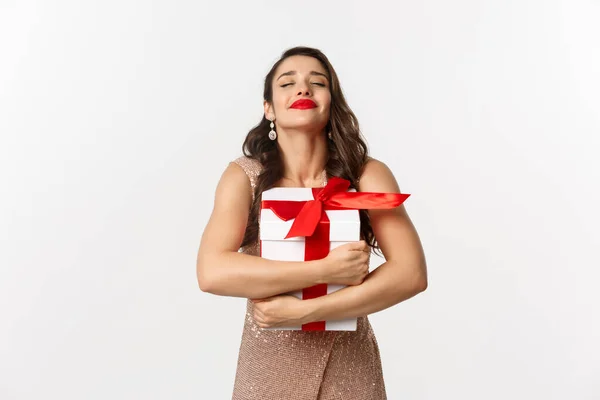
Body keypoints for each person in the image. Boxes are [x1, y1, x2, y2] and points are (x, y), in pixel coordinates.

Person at [196, 46, 428, 399]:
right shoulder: (244, 177)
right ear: (268, 108)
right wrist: (326, 270)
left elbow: (411, 274)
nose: (302, 89)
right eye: (287, 83)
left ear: (332, 102)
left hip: (349, 365)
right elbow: (211, 271)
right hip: (268, 367)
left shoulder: (365, 175)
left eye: (316, 82)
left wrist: (304, 312)